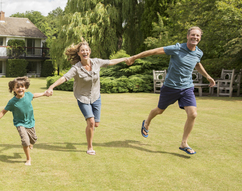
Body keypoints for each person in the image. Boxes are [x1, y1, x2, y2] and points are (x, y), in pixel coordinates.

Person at [125, 26, 215, 155]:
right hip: (170, 87)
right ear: (188, 36)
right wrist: (134, 57)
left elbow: (197, 63)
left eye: (197, 36)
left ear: (200, 38)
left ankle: (184, 143)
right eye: (193, 35)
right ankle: (147, 122)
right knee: (159, 110)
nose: (195, 37)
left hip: (187, 87)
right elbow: (154, 51)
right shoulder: (177, 48)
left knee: (193, 114)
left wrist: (207, 76)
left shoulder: (198, 53)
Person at [46, 40, 129, 155]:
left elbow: (111, 61)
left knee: (95, 124)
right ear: (79, 53)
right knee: (90, 122)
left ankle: (90, 128)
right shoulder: (76, 68)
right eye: (82, 50)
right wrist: (52, 86)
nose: (85, 52)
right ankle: (90, 147)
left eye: (86, 50)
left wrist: (124, 59)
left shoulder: (97, 62)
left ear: (89, 52)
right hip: (83, 98)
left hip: (96, 97)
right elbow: (64, 78)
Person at [0, 77, 49, 165]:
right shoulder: (12, 102)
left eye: (22, 87)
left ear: (25, 87)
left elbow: (35, 95)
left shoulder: (28, 95)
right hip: (19, 123)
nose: (20, 89)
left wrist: (44, 93)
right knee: (25, 141)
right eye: (17, 87)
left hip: (30, 122)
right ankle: (28, 159)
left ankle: (31, 143)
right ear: (13, 89)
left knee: (33, 139)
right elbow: (3, 111)